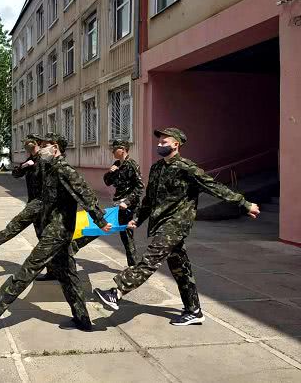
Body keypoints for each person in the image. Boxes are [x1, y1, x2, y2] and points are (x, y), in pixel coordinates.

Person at [94, 128, 261, 326]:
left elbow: (214, 187)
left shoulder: (186, 168)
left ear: (176, 144)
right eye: (159, 142)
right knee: (180, 268)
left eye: (165, 142)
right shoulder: (157, 168)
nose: (160, 145)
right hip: (161, 221)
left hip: (177, 223)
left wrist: (244, 204)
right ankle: (194, 310)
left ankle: (117, 292)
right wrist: (138, 219)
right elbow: (149, 198)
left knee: (151, 258)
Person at [0, 133, 112, 332]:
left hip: (59, 230)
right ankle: (82, 320)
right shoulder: (51, 169)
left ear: (55, 147)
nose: (40, 149)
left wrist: (100, 220)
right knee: (68, 275)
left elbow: (86, 194)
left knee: (32, 264)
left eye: (44, 146)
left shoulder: (65, 170)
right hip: (54, 227)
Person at [0, 134, 55, 280]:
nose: (29, 145)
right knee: (44, 238)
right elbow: (15, 174)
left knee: (14, 226)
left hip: (40, 203)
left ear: (38, 144)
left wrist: (37, 165)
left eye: (32, 142)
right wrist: (24, 166)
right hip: (34, 203)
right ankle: (54, 271)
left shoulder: (44, 159)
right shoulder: (31, 160)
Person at [72, 140, 144, 266]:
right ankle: (134, 266)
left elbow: (140, 187)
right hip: (117, 205)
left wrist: (127, 202)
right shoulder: (117, 164)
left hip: (127, 207)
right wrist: (110, 172)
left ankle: (134, 267)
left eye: (114, 149)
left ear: (122, 149)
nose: (112, 151)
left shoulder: (132, 165)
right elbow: (107, 182)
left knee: (119, 232)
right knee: (109, 227)